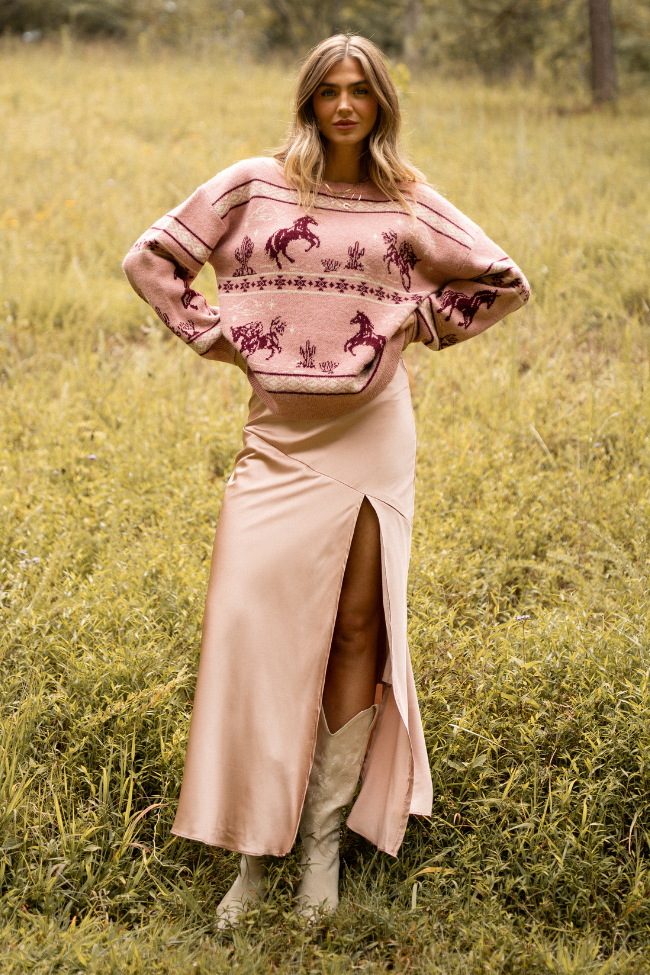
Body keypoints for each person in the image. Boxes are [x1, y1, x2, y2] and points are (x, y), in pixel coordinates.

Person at [123, 33, 529, 924]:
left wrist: (419, 322)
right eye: (330, 90)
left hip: (370, 433)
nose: (345, 105)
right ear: (308, 100)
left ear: (381, 102)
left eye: (361, 90)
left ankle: (319, 851)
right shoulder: (251, 185)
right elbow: (150, 258)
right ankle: (251, 851)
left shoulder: (407, 199)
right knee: (252, 627)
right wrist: (217, 335)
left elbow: (504, 279)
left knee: (355, 630)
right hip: (277, 439)